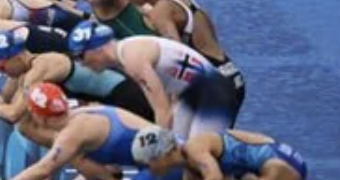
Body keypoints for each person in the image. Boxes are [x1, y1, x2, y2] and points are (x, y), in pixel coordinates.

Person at [111, 0, 245, 116]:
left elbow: (177, 59)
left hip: (213, 87)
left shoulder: (160, 12)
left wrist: (170, 105)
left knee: (197, 140)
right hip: (230, 74)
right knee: (220, 139)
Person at [67, 23, 239, 140]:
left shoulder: (132, 59)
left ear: (98, 48)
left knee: (201, 155)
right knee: (181, 154)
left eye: (81, 56)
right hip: (193, 93)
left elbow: (161, 110)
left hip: (213, 93)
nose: (81, 63)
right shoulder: (126, 52)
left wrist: (156, 152)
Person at [0, 29, 154, 124]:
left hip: (131, 100)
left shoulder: (42, 67)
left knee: (28, 125)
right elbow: (7, 102)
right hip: (118, 100)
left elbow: (14, 115)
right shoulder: (27, 70)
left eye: (3, 67)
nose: (3, 72)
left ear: (17, 55)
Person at [4, 82, 164, 180]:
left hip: (168, 162)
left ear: (39, 116)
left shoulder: (73, 132)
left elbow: (43, 169)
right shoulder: (84, 113)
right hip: (166, 157)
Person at [131, 126, 309, 180]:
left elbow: (214, 177)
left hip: (283, 165)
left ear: (164, 154)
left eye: (148, 163)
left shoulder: (194, 148)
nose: (148, 168)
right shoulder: (189, 167)